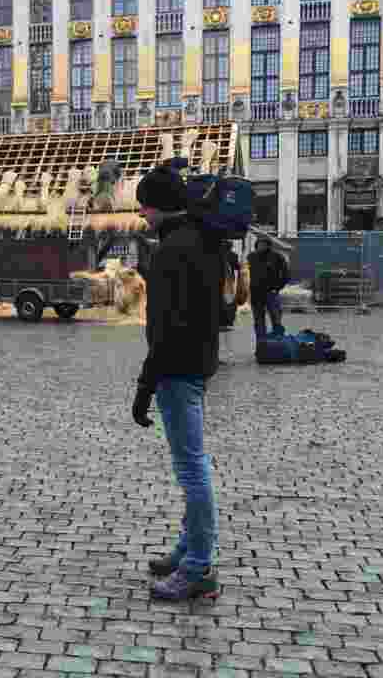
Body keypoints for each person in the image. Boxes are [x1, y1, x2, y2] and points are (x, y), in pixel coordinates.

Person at [132, 165, 221, 601]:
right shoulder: (204, 240)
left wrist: (144, 386)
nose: (141, 214)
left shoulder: (171, 252)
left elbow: (165, 329)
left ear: (161, 206)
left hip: (178, 370)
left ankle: (198, 567)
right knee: (192, 465)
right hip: (198, 364)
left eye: (145, 205)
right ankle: (188, 549)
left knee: (192, 468)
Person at [247, 237, 289, 342]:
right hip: (256, 293)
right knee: (258, 320)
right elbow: (246, 273)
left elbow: (285, 273)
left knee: (276, 318)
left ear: (269, 245)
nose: (261, 246)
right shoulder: (251, 257)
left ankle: (278, 340)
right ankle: (261, 342)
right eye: (259, 244)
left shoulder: (277, 257)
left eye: (264, 244)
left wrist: (278, 287)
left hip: (271, 292)